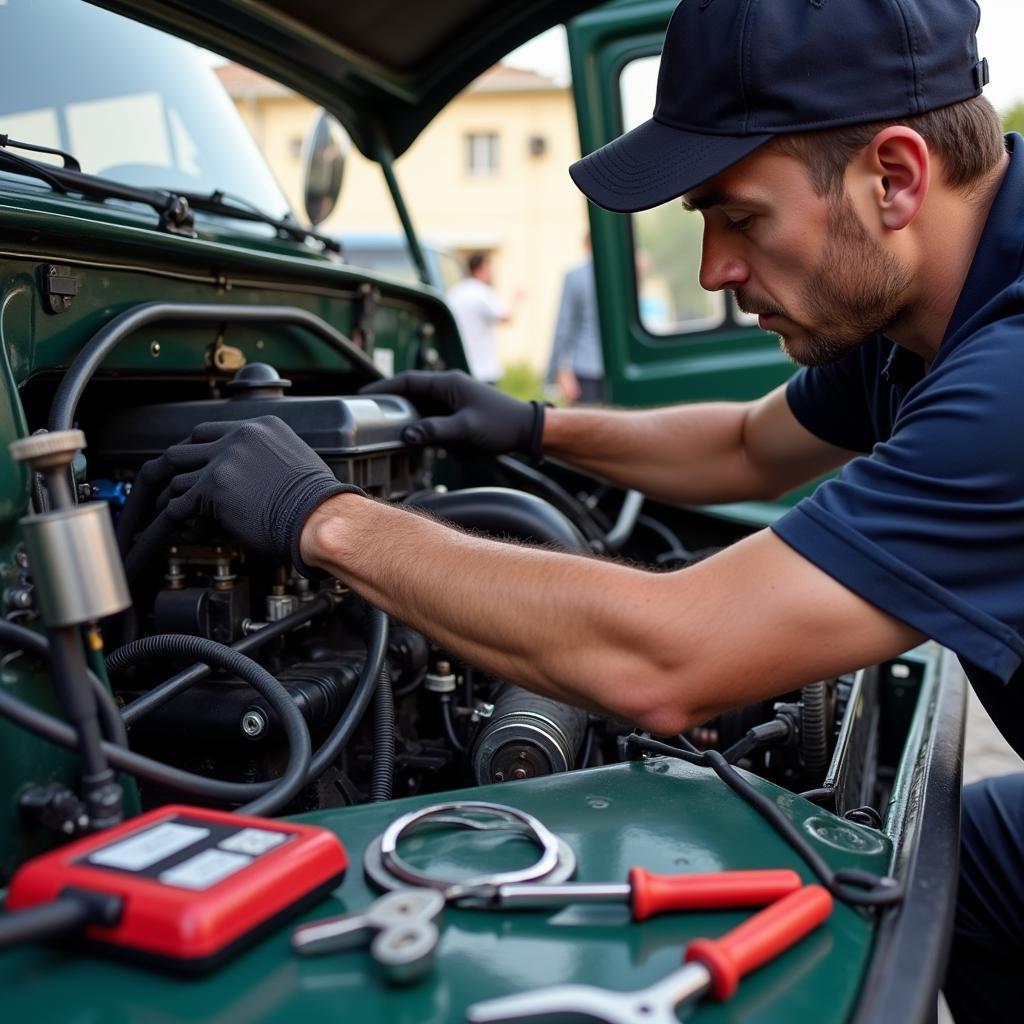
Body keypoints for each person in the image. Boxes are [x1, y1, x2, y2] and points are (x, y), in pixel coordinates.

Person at [123, 3, 1021, 1018]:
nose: (717, 270)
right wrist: (531, 427)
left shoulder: (1007, 380)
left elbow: (669, 656)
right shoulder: (921, 318)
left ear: (895, 177)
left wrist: (323, 518)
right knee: (949, 870)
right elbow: (745, 443)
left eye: (740, 215)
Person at [547, 236, 603, 404]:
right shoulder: (626, 272)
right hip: (617, 368)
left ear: (585, 244)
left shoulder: (575, 276)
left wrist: (557, 370)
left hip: (585, 368)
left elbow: (564, 327)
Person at [445, 251, 510, 385]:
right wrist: (517, 300)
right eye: (489, 269)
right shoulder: (483, 293)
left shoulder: (454, 292)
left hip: (460, 367)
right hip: (484, 369)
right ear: (479, 269)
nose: (492, 273)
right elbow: (505, 318)